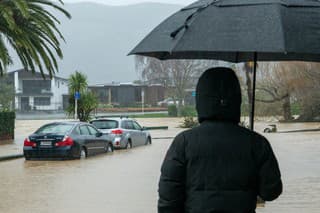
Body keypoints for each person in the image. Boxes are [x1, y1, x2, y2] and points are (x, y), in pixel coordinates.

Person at [158, 67, 282, 213]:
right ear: (237, 101)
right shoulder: (257, 143)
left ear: (201, 101)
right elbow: (271, 191)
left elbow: (168, 198)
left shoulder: (183, 142)